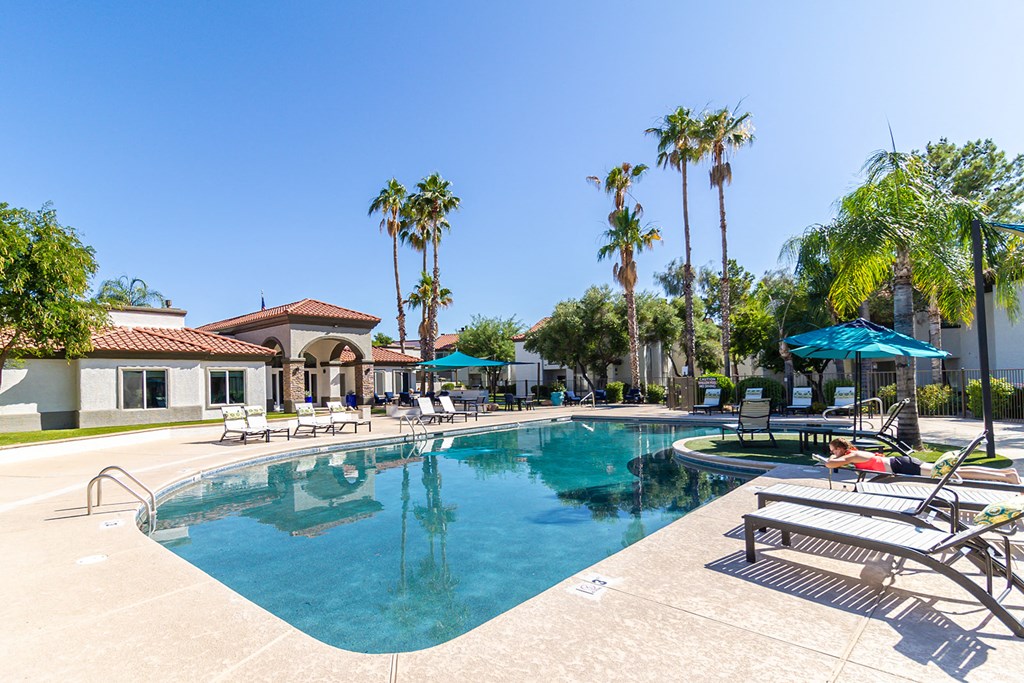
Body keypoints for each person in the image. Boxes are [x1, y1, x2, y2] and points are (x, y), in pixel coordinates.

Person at [823, 437, 1021, 484]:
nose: (833, 453)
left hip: (903, 465)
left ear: (841, 448)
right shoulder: (854, 454)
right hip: (902, 463)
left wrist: (831, 458)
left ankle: (1006, 478)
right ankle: (1006, 473)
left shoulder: (852, 455)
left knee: (952, 473)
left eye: (834, 450)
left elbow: (830, 464)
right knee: (952, 470)